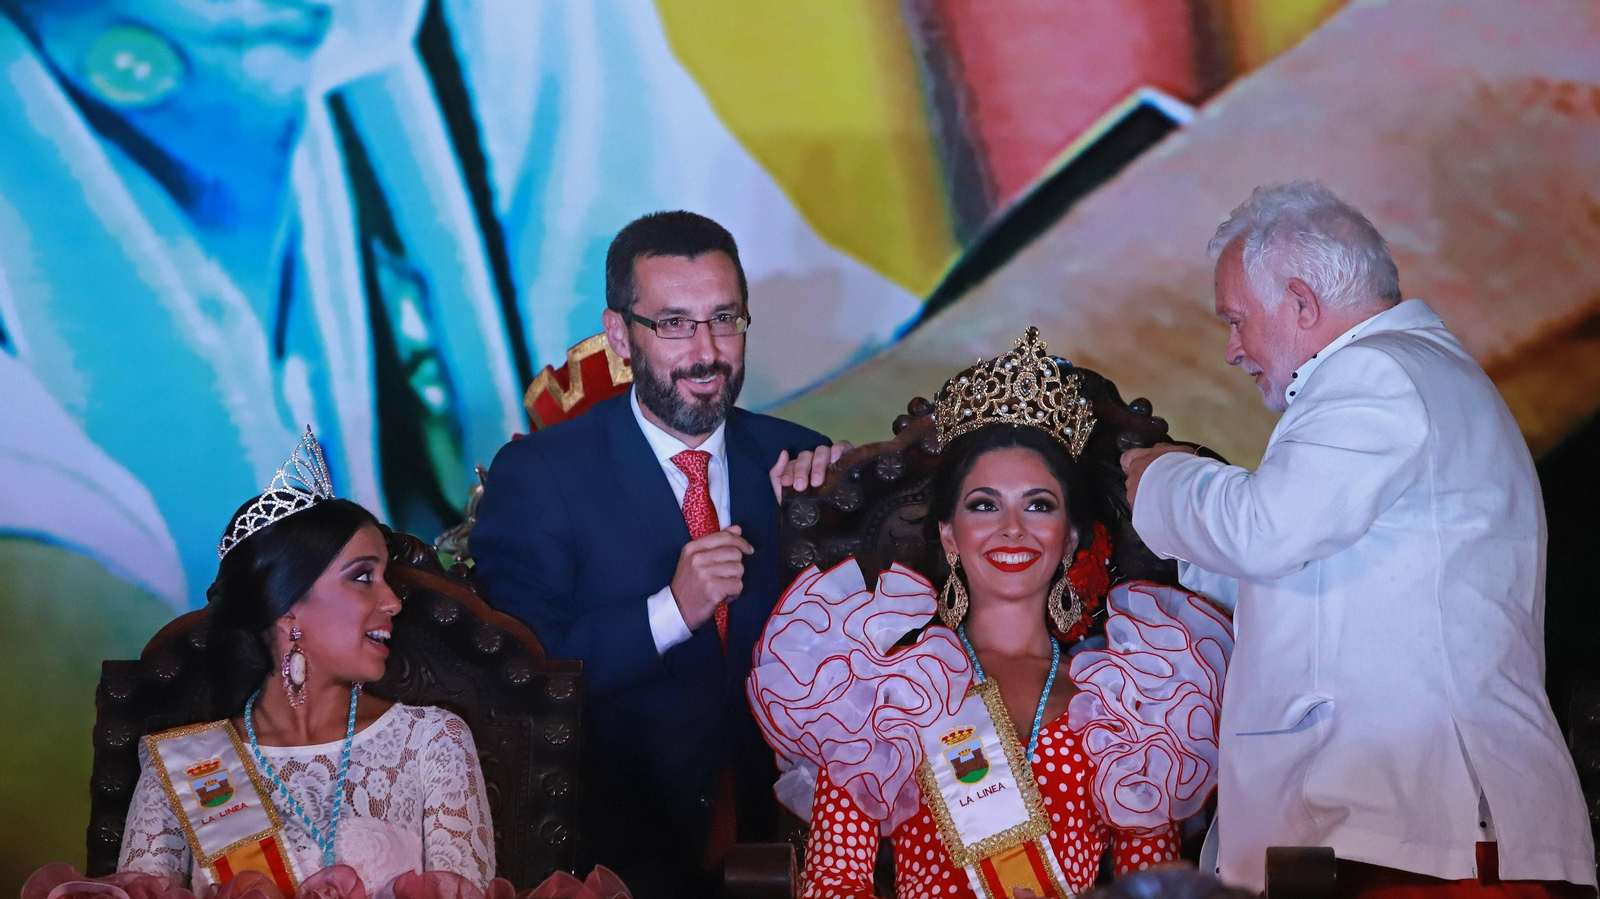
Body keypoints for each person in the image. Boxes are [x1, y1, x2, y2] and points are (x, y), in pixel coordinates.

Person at [1121, 182, 1597, 896]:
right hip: (1408, 834)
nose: (1231, 350)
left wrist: (1157, 477)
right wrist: (1186, 553)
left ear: (1303, 304)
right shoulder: (1415, 373)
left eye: (1237, 320)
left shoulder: (1378, 370)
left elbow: (1269, 528)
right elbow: (1311, 577)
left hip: (1420, 837)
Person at [749, 328, 1233, 899]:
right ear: (949, 535)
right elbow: (835, 883)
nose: (1012, 528)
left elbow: (1148, 888)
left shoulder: (1133, 701)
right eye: (984, 505)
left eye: (1039, 505)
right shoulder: (883, 691)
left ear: (1070, 534)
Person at [471, 211, 845, 898]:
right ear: (621, 334)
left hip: (793, 850)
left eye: (725, 319)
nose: (706, 351)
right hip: (613, 859)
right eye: (674, 323)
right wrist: (673, 610)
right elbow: (516, 678)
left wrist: (848, 502)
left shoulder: (799, 456)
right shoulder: (542, 474)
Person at [118, 430, 496, 896]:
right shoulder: (186, 764)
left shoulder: (432, 744)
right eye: (363, 577)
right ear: (288, 605)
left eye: (385, 578)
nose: (393, 602)